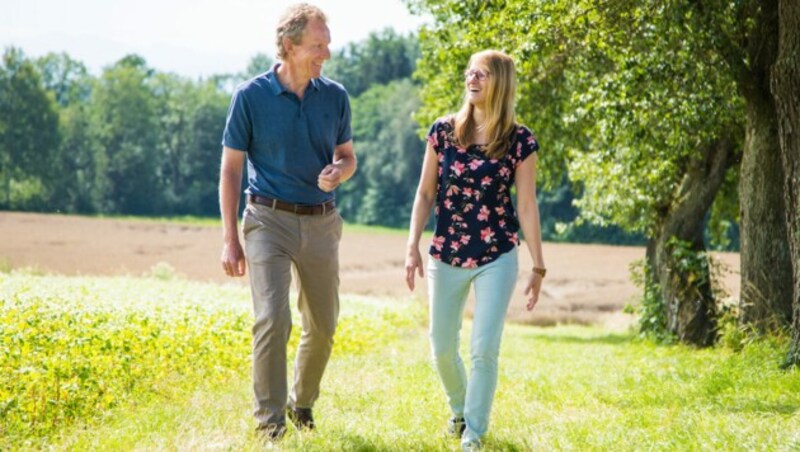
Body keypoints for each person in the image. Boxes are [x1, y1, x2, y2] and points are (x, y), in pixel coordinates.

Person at [218, 2, 356, 441]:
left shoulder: (335, 97)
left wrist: (340, 171)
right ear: (289, 46)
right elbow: (230, 170)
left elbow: (348, 157)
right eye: (318, 45)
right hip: (267, 220)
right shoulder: (250, 96)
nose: (326, 54)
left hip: (320, 221)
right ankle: (269, 426)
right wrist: (229, 239)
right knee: (273, 319)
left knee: (323, 324)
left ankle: (303, 404)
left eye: (327, 45)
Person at [404, 49, 545, 451]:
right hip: (445, 251)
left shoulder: (520, 140)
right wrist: (411, 245)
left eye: (480, 74)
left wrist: (538, 266)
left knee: (483, 348)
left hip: (497, 254)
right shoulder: (443, 131)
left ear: (499, 82)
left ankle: (474, 435)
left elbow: (527, 205)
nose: (472, 80)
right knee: (442, 346)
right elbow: (425, 192)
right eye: (469, 73)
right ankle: (460, 411)